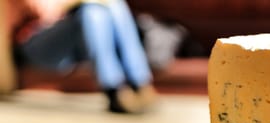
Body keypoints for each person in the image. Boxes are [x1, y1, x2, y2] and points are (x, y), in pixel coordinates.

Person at [2, 0, 157, 113]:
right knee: (92, 10)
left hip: (74, 47)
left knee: (113, 3)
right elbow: (48, 13)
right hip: (37, 47)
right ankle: (114, 89)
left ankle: (139, 83)